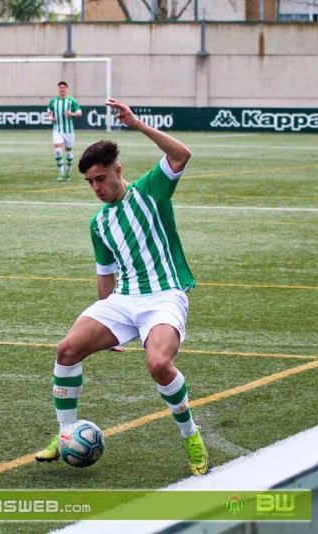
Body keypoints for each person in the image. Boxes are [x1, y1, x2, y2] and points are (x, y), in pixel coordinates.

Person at [34, 98, 209, 476]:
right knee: (67, 350)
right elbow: (105, 275)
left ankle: (191, 436)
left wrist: (136, 123)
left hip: (164, 295)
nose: (96, 187)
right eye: (90, 182)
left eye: (101, 179)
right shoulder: (98, 223)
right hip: (123, 299)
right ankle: (65, 434)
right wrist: (108, 324)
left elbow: (182, 154)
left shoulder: (150, 190)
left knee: (160, 365)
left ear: (117, 171)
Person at [47, 81, 82, 181]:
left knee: (68, 152)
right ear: (58, 89)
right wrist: (51, 118)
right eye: (60, 87)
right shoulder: (53, 101)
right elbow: (49, 112)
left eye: (64, 87)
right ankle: (61, 173)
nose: (62, 89)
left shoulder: (72, 101)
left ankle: (68, 171)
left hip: (69, 131)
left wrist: (71, 114)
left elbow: (79, 113)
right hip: (57, 130)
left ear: (67, 89)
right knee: (58, 150)